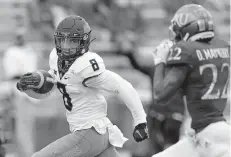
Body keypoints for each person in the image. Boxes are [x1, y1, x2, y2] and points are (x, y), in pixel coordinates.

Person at [16, 15, 149, 157]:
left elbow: (121, 85)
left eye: (72, 41)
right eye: (63, 40)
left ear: (83, 42)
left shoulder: (86, 65)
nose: (66, 46)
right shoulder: (55, 58)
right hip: (96, 137)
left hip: (90, 133)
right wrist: (27, 89)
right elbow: (50, 89)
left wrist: (140, 120)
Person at [151, 4, 230, 157]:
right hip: (212, 132)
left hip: (209, 136)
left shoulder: (187, 51)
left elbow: (160, 95)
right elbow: (195, 80)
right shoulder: (222, 47)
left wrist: (160, 60)